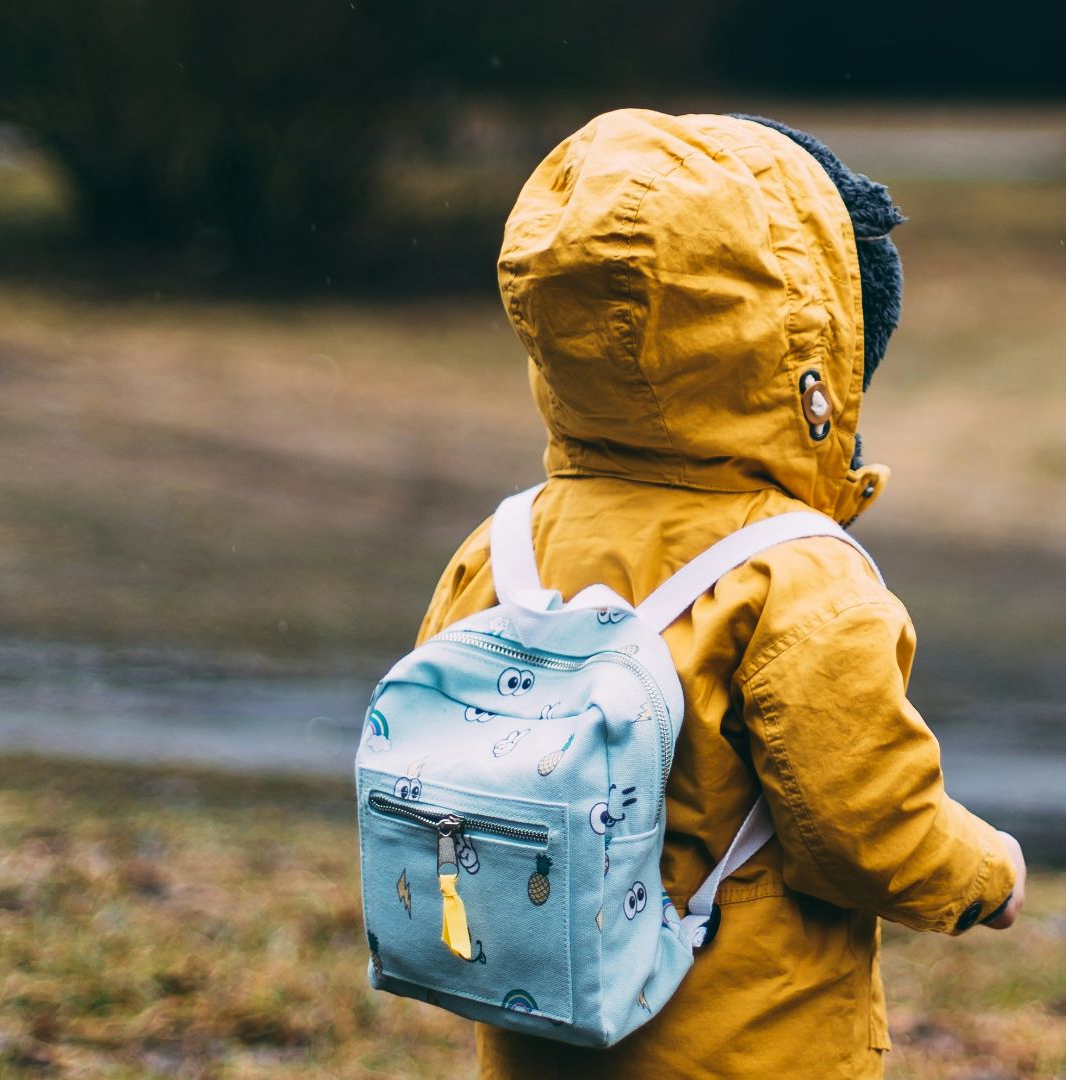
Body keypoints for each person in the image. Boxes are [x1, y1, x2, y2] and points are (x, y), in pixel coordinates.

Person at [416, 108, 1026, 1080]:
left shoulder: (507, 545)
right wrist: (986, 872)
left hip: (545, 1033)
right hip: (748, 1050)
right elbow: (866, 830)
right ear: (805, 347)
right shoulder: (794, 575)